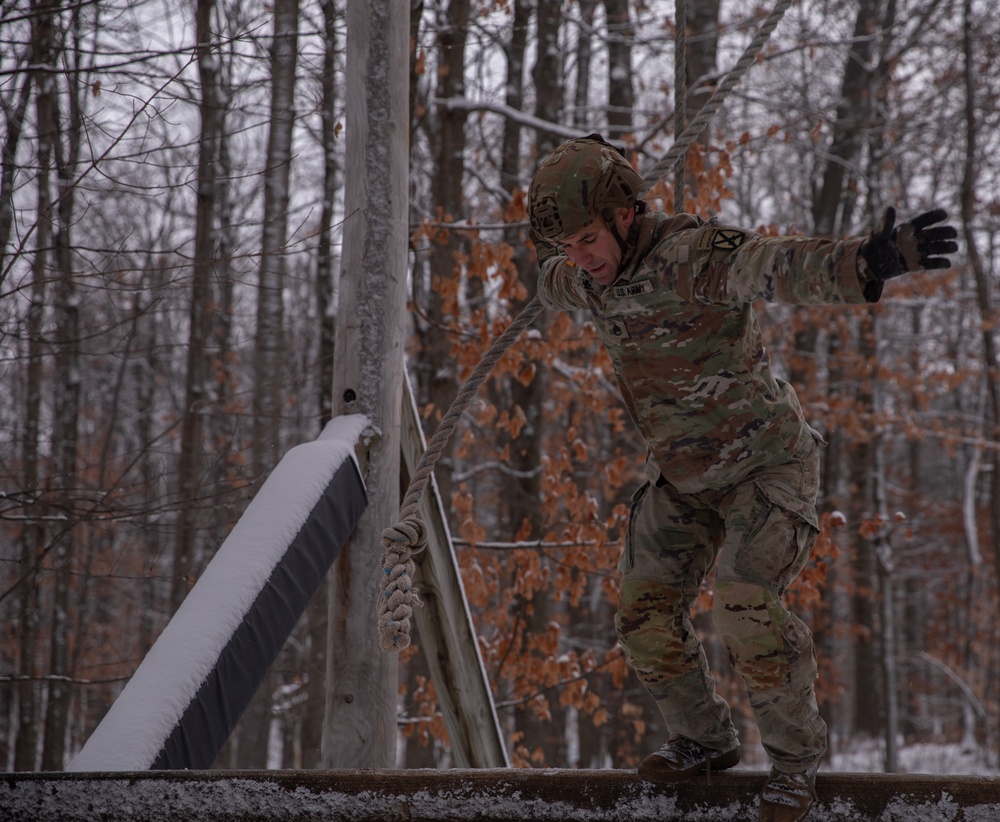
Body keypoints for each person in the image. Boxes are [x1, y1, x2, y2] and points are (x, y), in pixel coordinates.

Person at [527, 134, 957, 822]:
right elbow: (546, 277)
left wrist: (866, 263)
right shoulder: (583, 275)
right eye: (568, 248)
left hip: (766, 468)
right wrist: (546, 256)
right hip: (682, 476)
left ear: (625, 217)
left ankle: (793, 765)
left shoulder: (694, 258)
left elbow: (778, 265)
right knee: (641, 609)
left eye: (586, 240)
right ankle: (703, 739)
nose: (580, 260)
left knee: (745, 600)